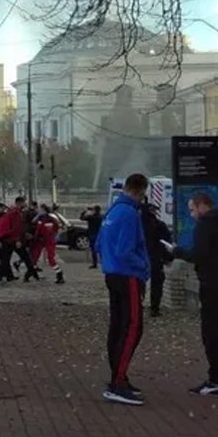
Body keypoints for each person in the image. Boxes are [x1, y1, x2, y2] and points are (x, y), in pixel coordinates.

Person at [169, 192, 218, 396]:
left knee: (212, 332)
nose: (192, 214)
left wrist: (178, 252)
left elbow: (199, 254)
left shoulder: (205, 225)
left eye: (193, 209)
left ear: (203, 206)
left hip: (211, 283)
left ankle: (216, 380)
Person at [96, 173, 151, 406]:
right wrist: (144, 266)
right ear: (139, 191)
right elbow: (125, 250)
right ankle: (118, 382)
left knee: (117, 326)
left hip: (111, 274)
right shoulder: (130, 214)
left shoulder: (112, 211)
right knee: (133, 328)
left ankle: (118, 376)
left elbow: (98, 243)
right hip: (128, 275)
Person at [139, 202, 172, 317]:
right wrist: (168, 258)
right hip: (155, 257)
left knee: (139, 282)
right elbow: (166, 242)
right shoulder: (159, 225)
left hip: (140, 258)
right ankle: (154, 308)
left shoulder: (137, 225)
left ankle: (138, 304)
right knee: (157, 283)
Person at [0, 196, 36, 282]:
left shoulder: (15, 212)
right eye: (24, 202)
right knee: (24, 257)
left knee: (6, 259)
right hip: (12, 240)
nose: (25, 204)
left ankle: (5, 275)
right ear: (19, 203)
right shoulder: (15, 213)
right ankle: (30, 272)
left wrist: (24, 234)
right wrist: (18, 240)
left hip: (9, 239)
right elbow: (15, 228)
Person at [32, 204, 64, 284]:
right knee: (34, 256)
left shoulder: (51, 219)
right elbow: (34, 223)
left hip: (48, 240)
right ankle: (31, 272)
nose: (39, 211)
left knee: (51, 258)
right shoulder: (40, 218)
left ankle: (59, 274)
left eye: (41, 210)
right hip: (40, 240)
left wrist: (54, 236)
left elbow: (56, 228)